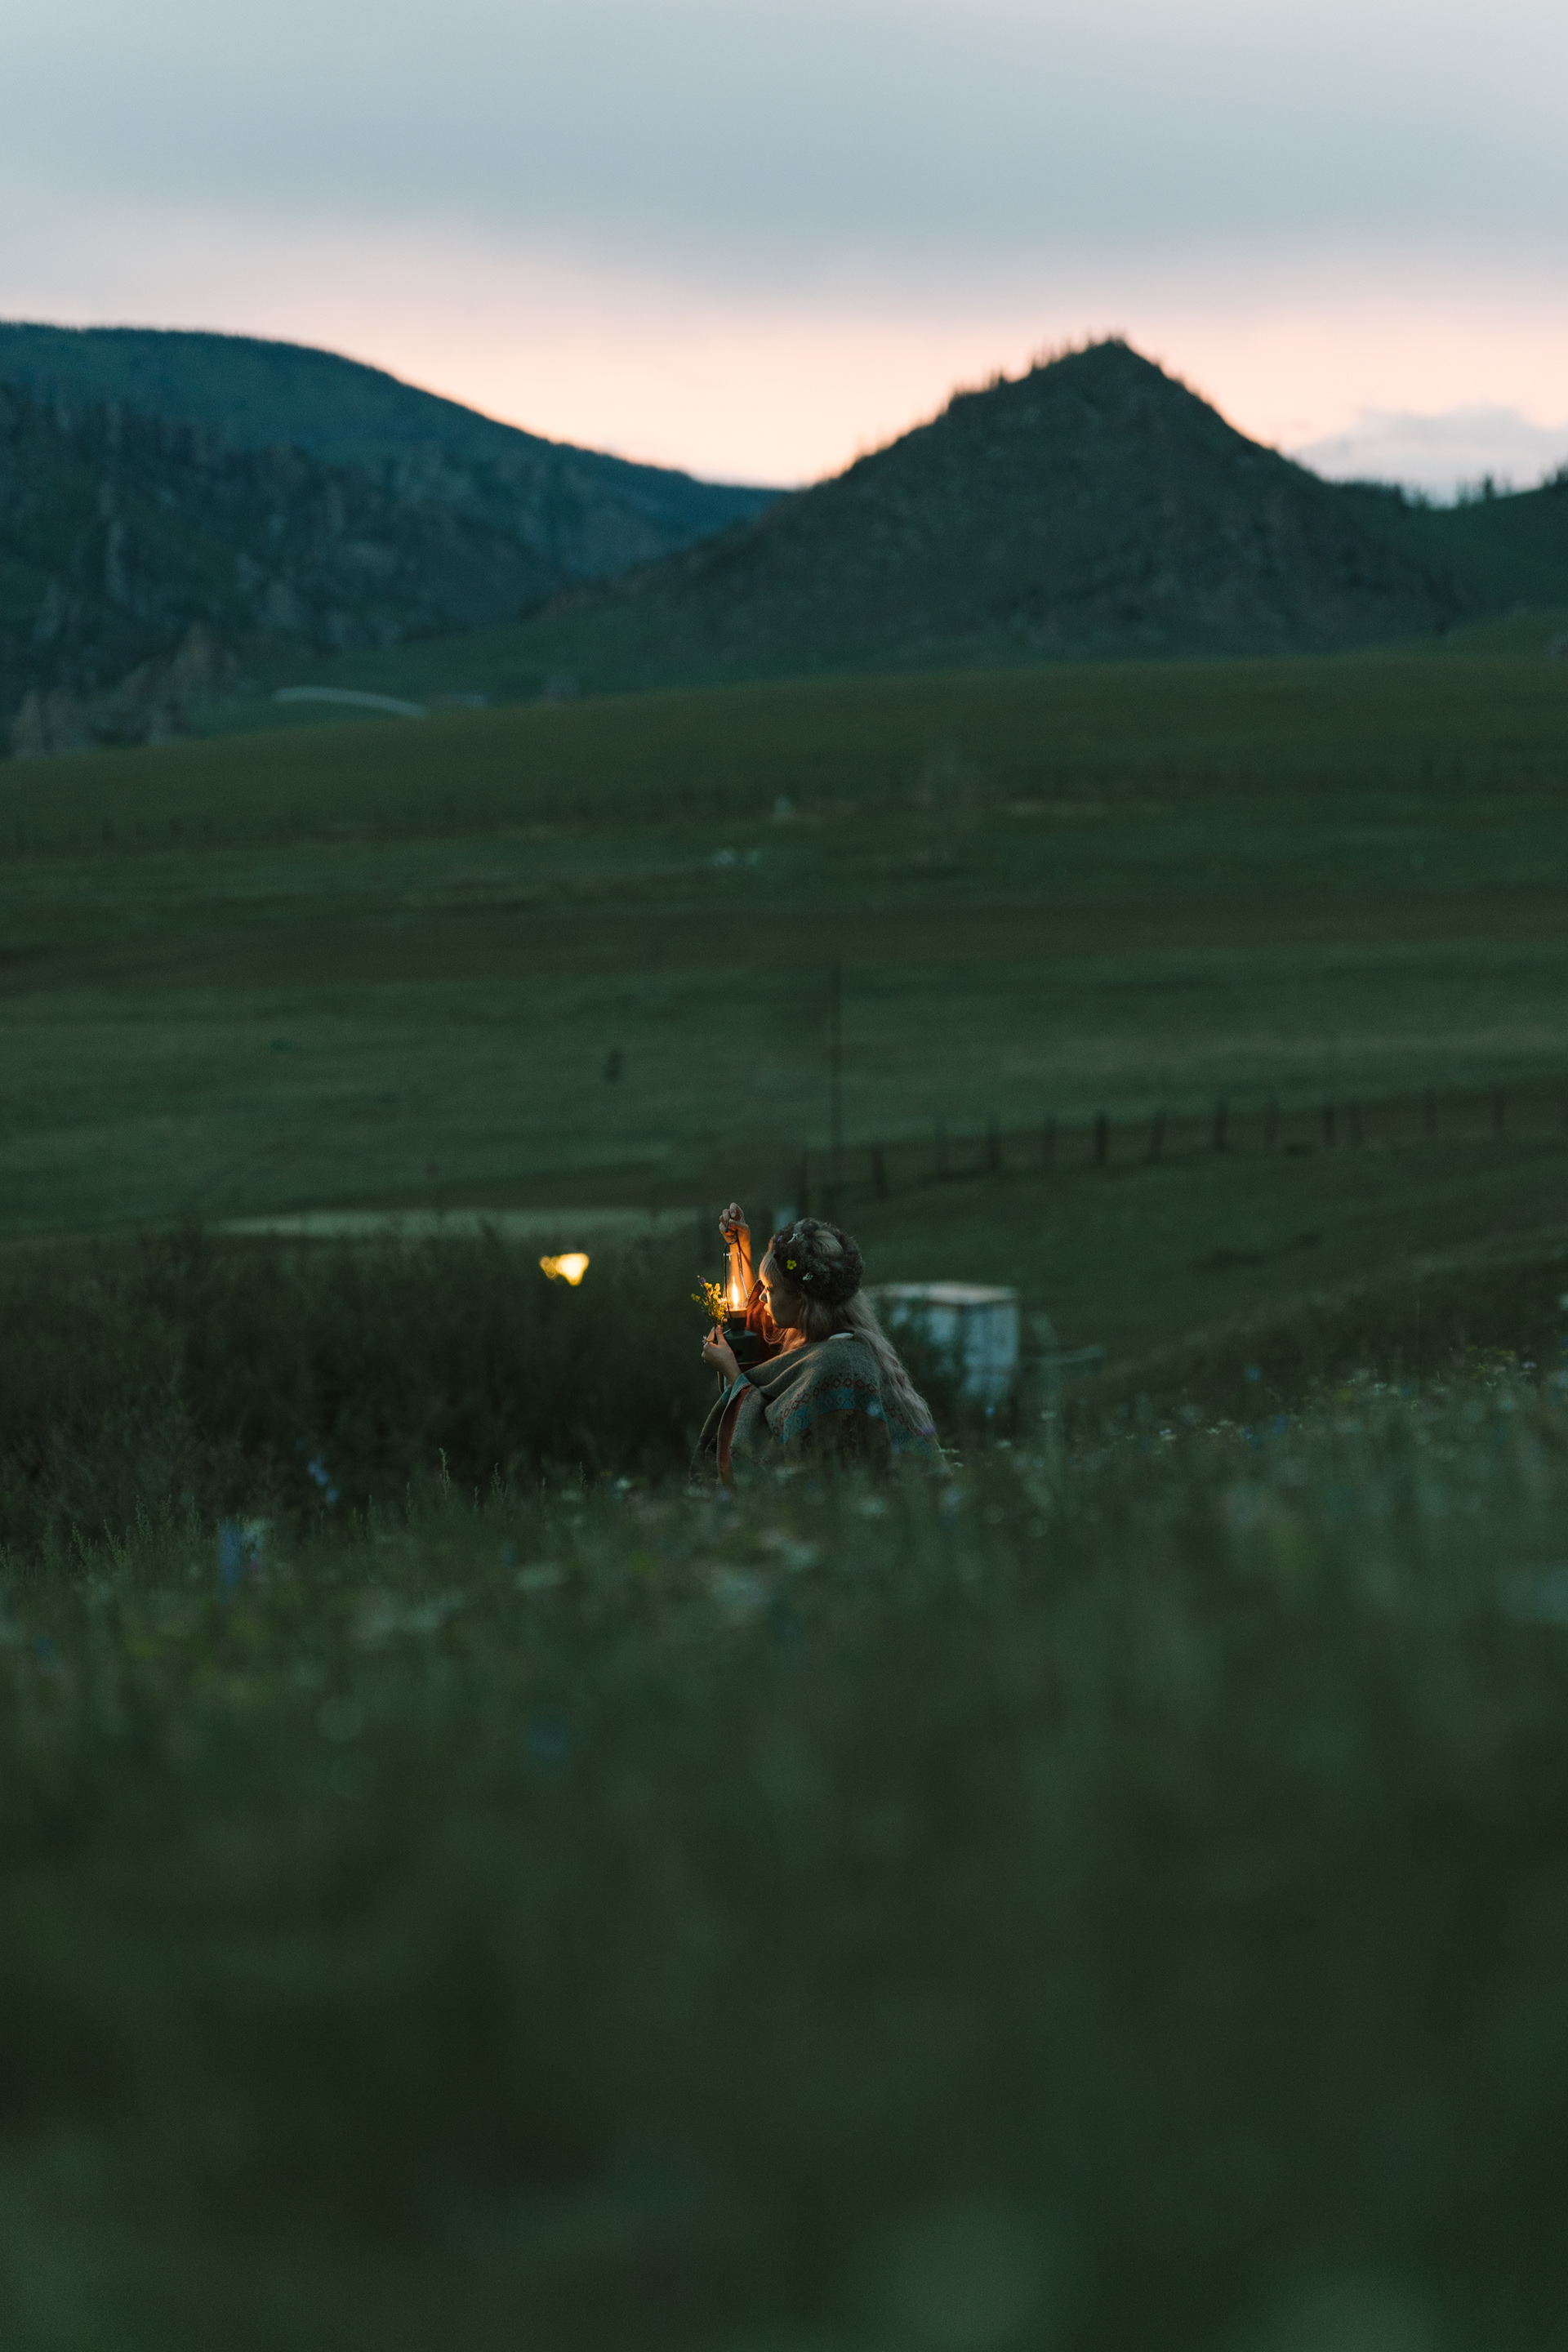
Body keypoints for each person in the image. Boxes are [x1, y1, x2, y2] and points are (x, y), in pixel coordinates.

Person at [696, 1214, 938, 1481]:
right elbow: (758, 1338)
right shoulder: (823, 1340)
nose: (762, 1297)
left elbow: (781, 1458)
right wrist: (739, 1249)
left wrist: (733, 1375)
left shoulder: (838, 1366)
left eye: (770, 1289)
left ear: (801, 1299)